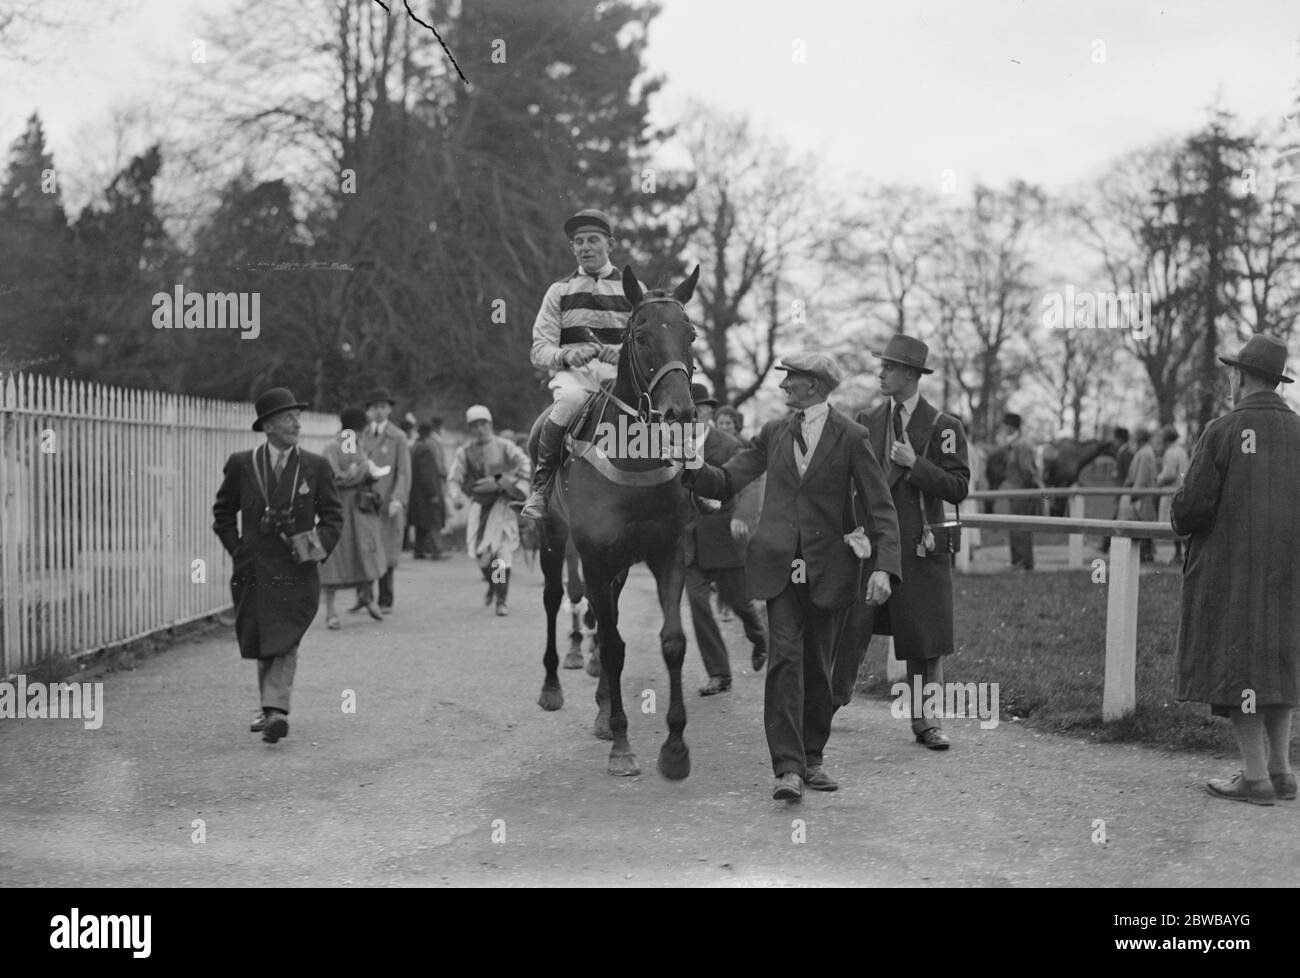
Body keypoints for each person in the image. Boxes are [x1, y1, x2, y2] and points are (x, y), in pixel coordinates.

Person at [686, 352, 901, 800]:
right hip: (779, 567)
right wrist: (689, 468)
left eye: (791, 380)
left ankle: (813, 758)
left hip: (831, 569)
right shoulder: (773, 433)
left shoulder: (852, 436)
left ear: (815, 386)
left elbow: (881, 507)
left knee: (818, 667)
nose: (783, 387)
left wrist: (885, 566)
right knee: (785, 657)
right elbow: (728, 479)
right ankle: (788, 768)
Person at [1173, 334, 1300, 805]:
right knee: (1281, 662)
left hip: (1234, 574)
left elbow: (1189, 512)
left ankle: (1254, 777)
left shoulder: (1223, 430)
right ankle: (1282, 771)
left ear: (1240, 377)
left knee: (1239, 664)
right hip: (1290, 574)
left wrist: (1178, 492)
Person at [833, 335, 970, 749]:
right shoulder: (865, 422)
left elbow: (958, 487)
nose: (881, 373)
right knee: (849, 629)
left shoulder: (946, 427)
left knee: (923, 640)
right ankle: (825, 704)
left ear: (910, 375)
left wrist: (916, 465)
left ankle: (926, 723)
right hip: (872, 548)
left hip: (921, 549)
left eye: (889, 368)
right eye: (883, 366)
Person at [212, 388, 343, 743]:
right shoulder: (243, 464)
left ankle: (276, 710)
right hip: (253, 571)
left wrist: (313, 548)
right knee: (265, 636)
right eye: (288, 418)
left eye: (298, 417)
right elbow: (222, 514)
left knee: (286, 637)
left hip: (297, 571)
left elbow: (333, 518)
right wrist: (238, 550)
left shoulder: (316, 467)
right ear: (268, 426)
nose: (297, 423)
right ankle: (270, 708)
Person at [519, 208, 636, 521]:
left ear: (609, 244)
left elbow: (647, 343)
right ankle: (541, 488)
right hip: (575, 378)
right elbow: (539, 349)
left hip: (619, 377)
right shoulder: (559, 291)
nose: (585, 247)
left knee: (664, 407)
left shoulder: (633, 290)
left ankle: (692, 486)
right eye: (578, 241)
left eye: (593, 240)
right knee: (570, 401)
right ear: (572, 248)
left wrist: (622, 353)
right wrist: (565, 355)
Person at [682, 383, 768, 696]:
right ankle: (719, 674)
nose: (688, 415)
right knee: (698, 604)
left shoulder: (729, 446)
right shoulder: (666, 446)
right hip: (688, 541)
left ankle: (758, 634)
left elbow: (750, 483)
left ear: (707, 412)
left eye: (695, 409)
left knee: (739, 601)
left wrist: (742, 517)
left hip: (722, 537)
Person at [448, 405, 531, 616]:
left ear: (490, 424)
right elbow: (454, 478)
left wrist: (512, 484)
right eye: (474, 425)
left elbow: (525, 466)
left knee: (502, 556)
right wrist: (456, 496)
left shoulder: (505, 446)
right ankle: (494, 585)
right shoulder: (464, 452)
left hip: (503, 507)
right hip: (480, 506)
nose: (479, 429)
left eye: (483, 424)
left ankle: (501, 600)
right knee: (483, 557)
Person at [319, 407, 387, 627]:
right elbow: (335, 477)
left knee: (365, 550)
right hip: (340, 509)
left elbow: (356, 467)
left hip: (360, 508)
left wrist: (367, 473)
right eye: (361, 430)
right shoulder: (335, 446)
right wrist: (362, 470)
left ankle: (367, 597)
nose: (363, 434)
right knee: (337, 557)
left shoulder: (355, 445)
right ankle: (331, 611)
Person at [359, 387, 411, 613]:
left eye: (382, 406)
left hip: (388, 501)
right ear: (369, 410)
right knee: (366, 548)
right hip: (365, 501)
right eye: (374, 407)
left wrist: (397, 498)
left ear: (389, 409)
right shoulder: (362, 435)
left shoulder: (398, 436)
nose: (378, 411)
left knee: (387, 550)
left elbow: (403, 472)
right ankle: (365, 596)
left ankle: (385, 598)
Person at [997, 411, 1040, 570]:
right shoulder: (1013, 444)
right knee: (1014, 527)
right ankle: (1016, 560)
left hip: (1021, 490)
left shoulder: (1022, 445)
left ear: (1010, 427)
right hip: (1014, 490)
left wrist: (1028, 489)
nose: (1002, 430)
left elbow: (1028, 470)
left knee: (1021, 527)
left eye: (1004, 426)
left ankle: (1025, 562)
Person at [410, 419, 449, 560]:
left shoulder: (415, 446)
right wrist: (433, 492)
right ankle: (437, 550)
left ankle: (419, 550)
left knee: (421, 523)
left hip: (416, 491)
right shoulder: (426, 448)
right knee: (433, 521)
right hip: (427, 491)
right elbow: (429, 473)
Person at [1155, 424, 1189, 563]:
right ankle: (1180, 554)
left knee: (1174, 523)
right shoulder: (1182, 450)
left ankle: (1180, 555)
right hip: (1182, 489)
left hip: (1172, 492)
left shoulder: (1170, 453)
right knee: (1181, 522)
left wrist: (1159, 479)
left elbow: (1170, 474)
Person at [1124, 427, 1158, 563]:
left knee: (1144, 523)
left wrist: (1135, 493)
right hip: (1144, 493)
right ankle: (1146, 553)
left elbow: (1142, 476)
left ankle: (1146, 554)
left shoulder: (1144, 454)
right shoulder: (1145, 452)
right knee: (1145, 522)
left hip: (1144, 494)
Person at [1100, 426, 1133, 553]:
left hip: (1124, 492)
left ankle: (1105, 545)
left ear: (1119, 439)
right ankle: (1105, 545)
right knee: (1116, 519)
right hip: (1121, 491)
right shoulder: (1122, 453)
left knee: (1117, 519)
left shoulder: (1126, 454)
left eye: (1115, 438)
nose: (1113, 441)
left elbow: (1128, 474)